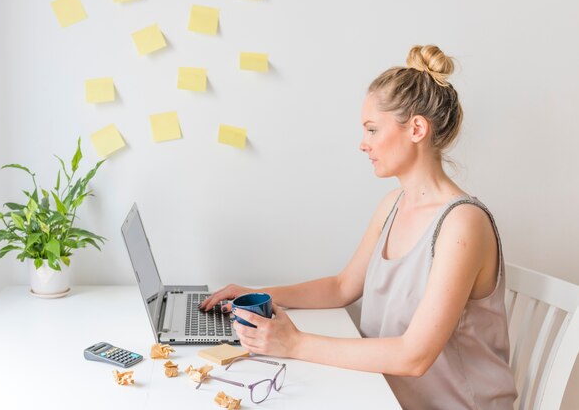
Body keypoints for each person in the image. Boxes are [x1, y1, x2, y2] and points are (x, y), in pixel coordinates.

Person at [200, 45, 517, 409]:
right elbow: (341, 288)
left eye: (372, 129)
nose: (363, 144)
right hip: (380, 394)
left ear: (416, 128)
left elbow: (414, 356)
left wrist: (295, 343)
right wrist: (258, 293)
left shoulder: (463, 223)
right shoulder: (392, 205)